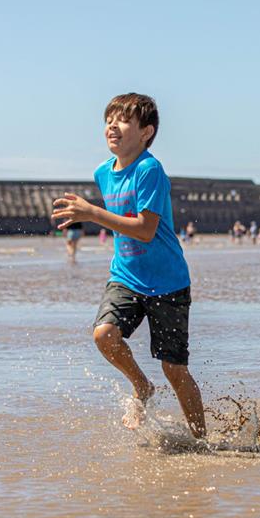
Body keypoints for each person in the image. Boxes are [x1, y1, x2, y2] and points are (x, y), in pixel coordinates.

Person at [51, 93, 205, 439]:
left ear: (146, 132)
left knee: (175, 370)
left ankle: (202, 441)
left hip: (168, 281)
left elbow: (146, 229)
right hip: (126, 276)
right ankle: (141, 387)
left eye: (122, 120)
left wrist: (92, 213)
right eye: (108, 119)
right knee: (104, 334)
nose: (111, 126)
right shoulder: (103, 173)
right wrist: (92, 214)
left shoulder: (149, 169)